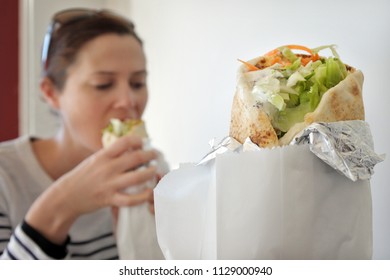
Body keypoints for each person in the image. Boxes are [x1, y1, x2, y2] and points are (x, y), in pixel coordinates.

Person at [0, 8, 168, 260]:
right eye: (103, 84)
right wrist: (64, 203)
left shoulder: (150, 167)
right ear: (51, 93)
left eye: (137, 83)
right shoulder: (6, 177)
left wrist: (168, 229)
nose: (128, 100)